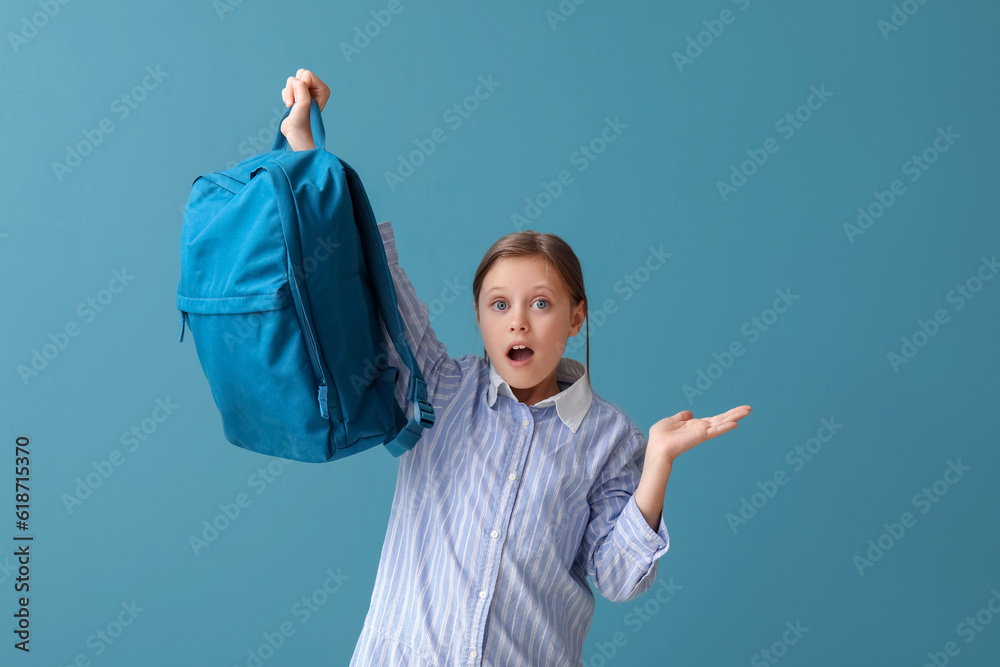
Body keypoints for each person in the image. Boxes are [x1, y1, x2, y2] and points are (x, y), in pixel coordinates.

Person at [279, 69, 752, 666]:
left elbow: (618, 577)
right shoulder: (442, 390)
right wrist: (306, 147)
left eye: (541, 304)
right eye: (499, 305)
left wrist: (656, 462)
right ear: (479, 318)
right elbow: (377, 280)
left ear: (575, 319)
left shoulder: (610, 439)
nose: (518, 323)